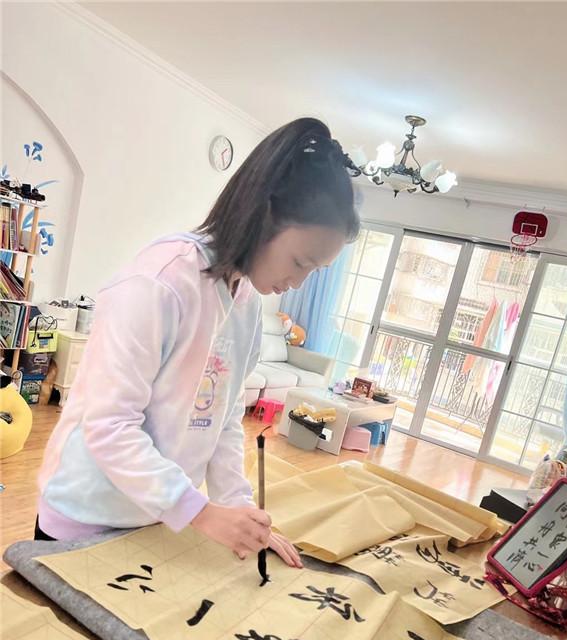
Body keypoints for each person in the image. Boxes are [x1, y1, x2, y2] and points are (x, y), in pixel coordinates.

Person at [35, 117, 359, 570]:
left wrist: (241, 513)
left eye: (314, 271)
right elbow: (109, 426)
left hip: (157, 518)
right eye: (300, 261)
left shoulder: (245, 301)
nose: (298, 283)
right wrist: (200, 512)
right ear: (264, 217)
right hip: (86, 513)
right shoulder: (160, 282)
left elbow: (223, 420)